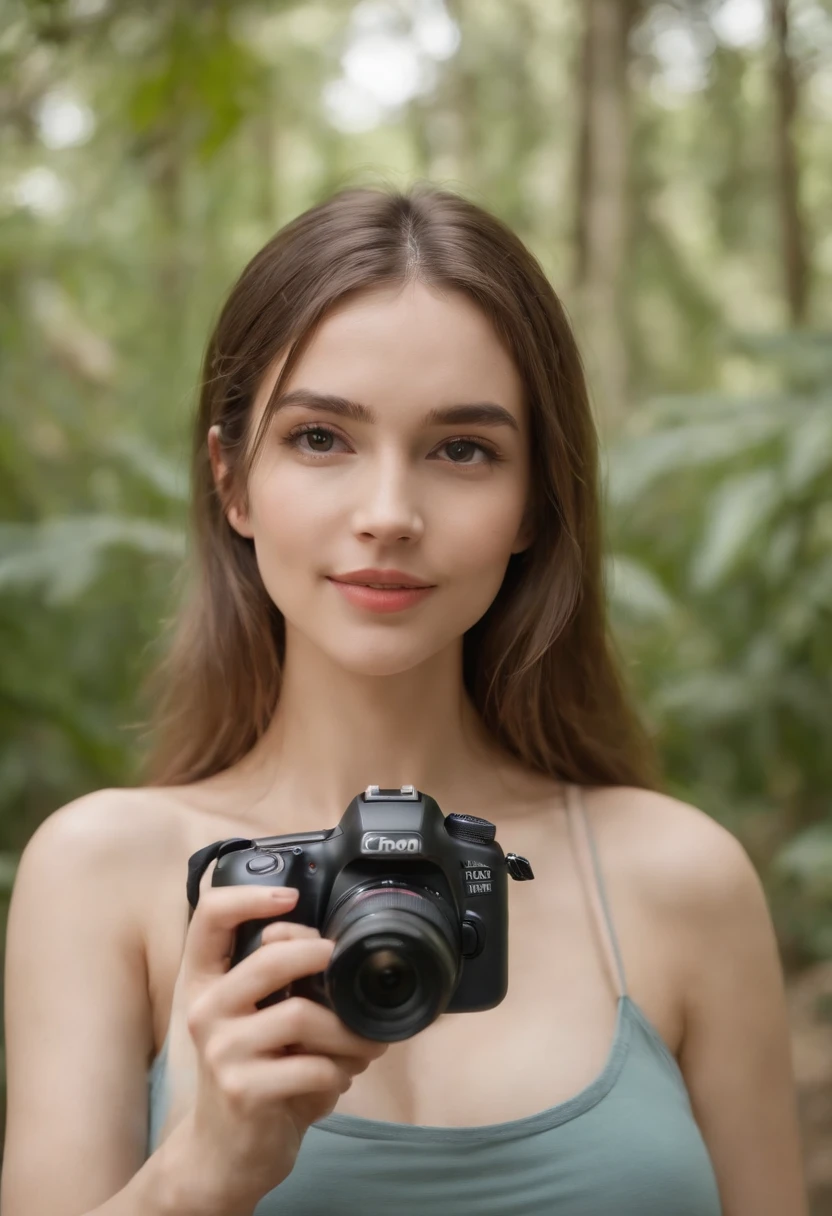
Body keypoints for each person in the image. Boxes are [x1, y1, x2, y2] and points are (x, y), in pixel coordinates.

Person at [1, 186, 807, 1216]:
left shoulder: (680, 879)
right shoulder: (102, 874)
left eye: (461, 449)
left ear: (532, 505)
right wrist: (200, 1173)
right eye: (322, 439)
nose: (389, 515)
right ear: (231, 481)